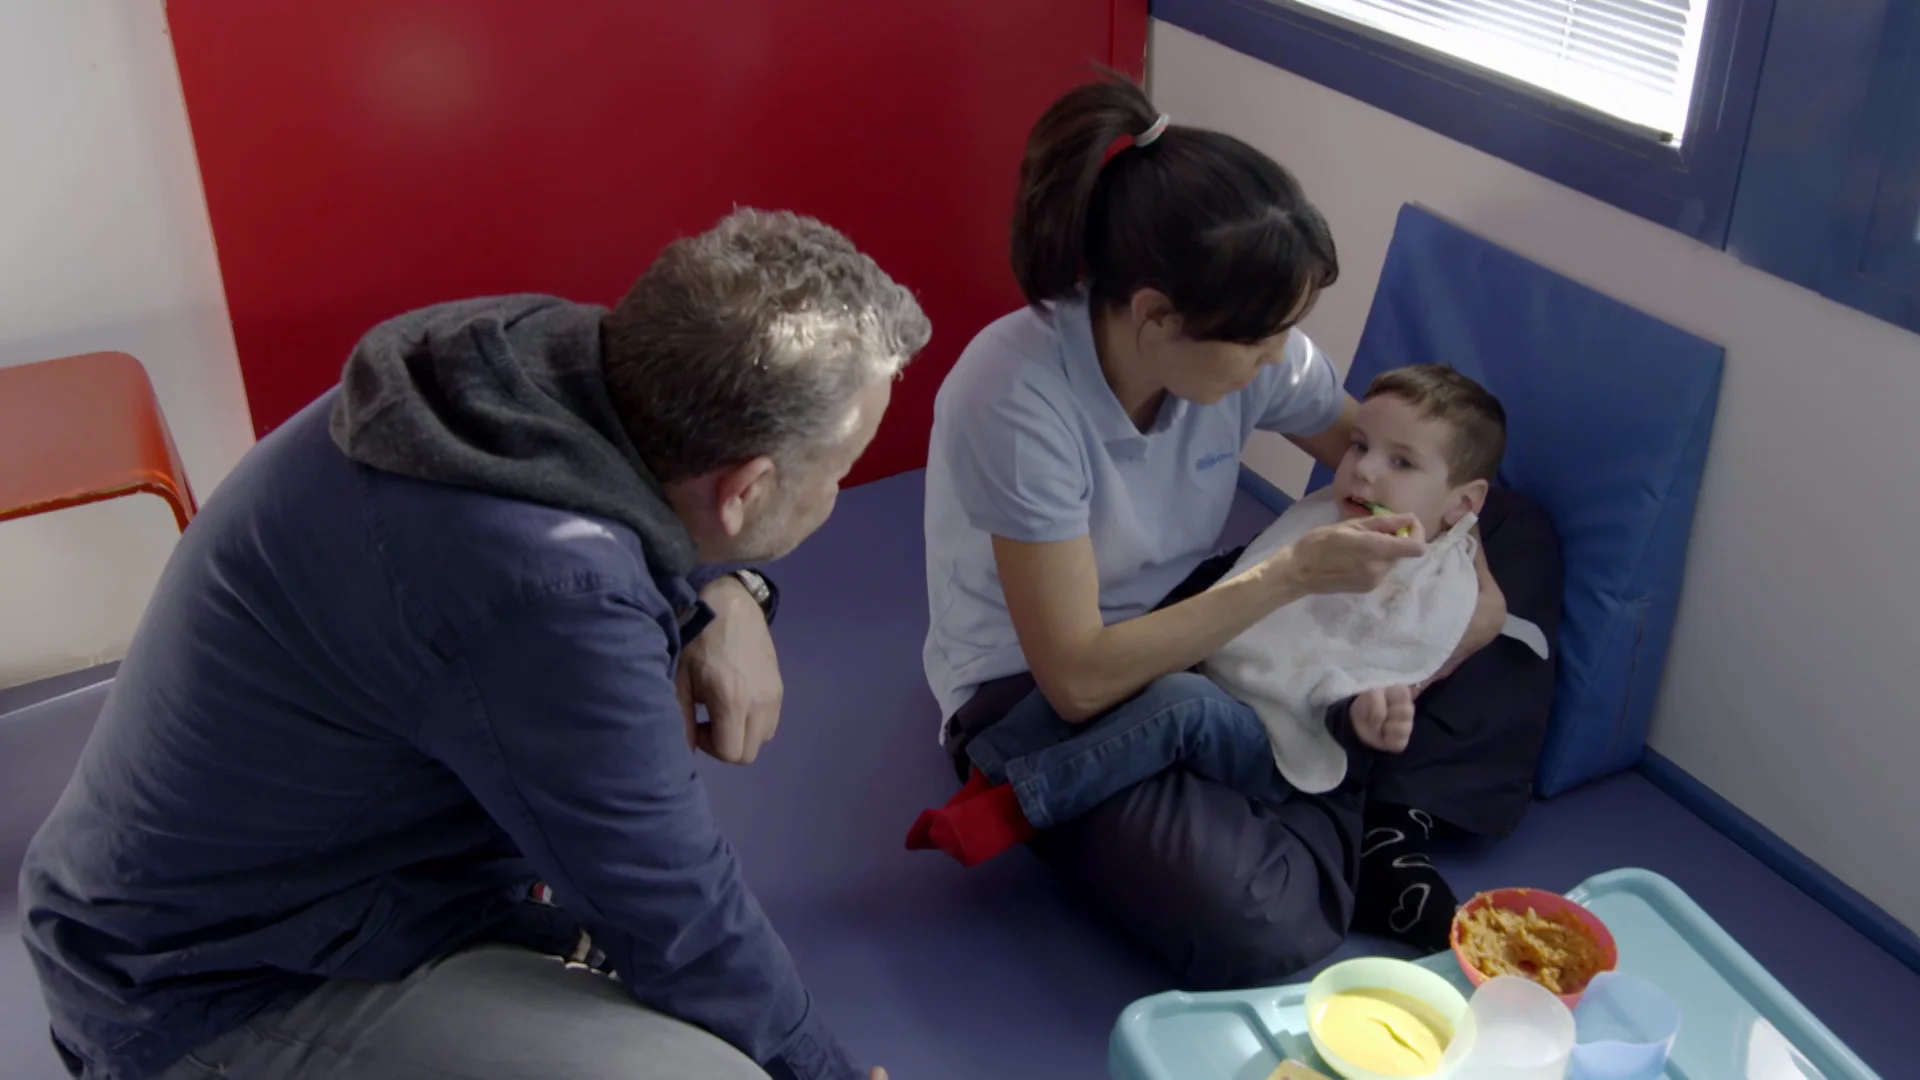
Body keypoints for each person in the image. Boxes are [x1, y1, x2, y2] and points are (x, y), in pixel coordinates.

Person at [20, 209, 928, 1080]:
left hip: (298, 888)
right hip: (204, 987)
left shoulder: (535, 360)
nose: (838, 495)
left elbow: (636, 503)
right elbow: (677, 917)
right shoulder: (550, 592)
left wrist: (725, 588)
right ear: (745, 490)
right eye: (836, 476)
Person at [916, 76, 1516, 988]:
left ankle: (1351, 786)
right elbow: (1077, 678)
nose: (1284, 360)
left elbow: (1391, 466)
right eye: (1265, 340)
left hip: (1198, 624)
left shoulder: (1244, 348)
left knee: (1515, 533)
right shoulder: (1017, 396)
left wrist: (1459, 562)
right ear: (1157, 316)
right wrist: (1293, 580)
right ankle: (1365, 800)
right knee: (1262, 924)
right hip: (1040, 691)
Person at [908, 364, 1503, 866]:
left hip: (1280, 742)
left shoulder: (1430, 589)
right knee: (1123, 657)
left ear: (1463, 503)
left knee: (1179, 704)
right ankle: (988, 766)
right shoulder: (1331, 513)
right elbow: (1242, 581)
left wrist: (1366, 718)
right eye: (1359, 445)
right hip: (1222, 676)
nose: (1365, 470)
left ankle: (1018, 808)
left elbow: (1369, 670)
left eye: (1401, 463)